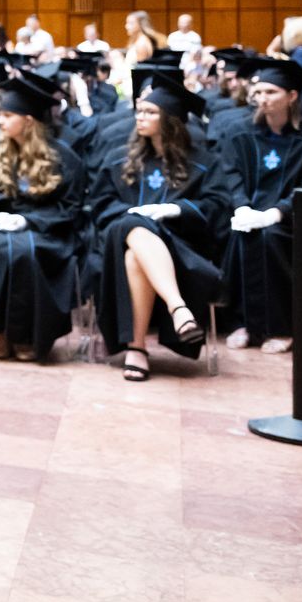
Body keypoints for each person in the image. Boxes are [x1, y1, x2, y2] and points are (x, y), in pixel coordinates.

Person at [89, 74, 230, 380]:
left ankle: (137, 348)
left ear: (171, 120)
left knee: (135, 256)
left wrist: (175, 209)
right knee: (133, 224)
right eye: (139, 111)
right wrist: (135, 215)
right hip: (116, 241)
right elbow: (100, 205)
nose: (140, 117)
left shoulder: (203, 162)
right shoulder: (117, 158)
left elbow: (218, 206)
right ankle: (178, 308)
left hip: (180, 247)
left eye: (150, 112)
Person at [217, 55, 302, 353]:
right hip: (251, 212)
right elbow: (231, 173)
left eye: (271, 92)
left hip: (300, 220)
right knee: (241, 234)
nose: (262, 98)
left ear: (292, 96)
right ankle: (245, 323)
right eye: (258, 91)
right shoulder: (239, 131)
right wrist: (242, 206)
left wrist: (278, 212)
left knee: (270, 237)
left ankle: (284, 327)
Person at [0, 74, 86, 362]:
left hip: (47, 228)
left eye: (7, 116)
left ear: (28, 121)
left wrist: (30, 221)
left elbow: (71, 206)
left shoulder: (64, 157)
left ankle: (27, 334)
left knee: (27, 252)